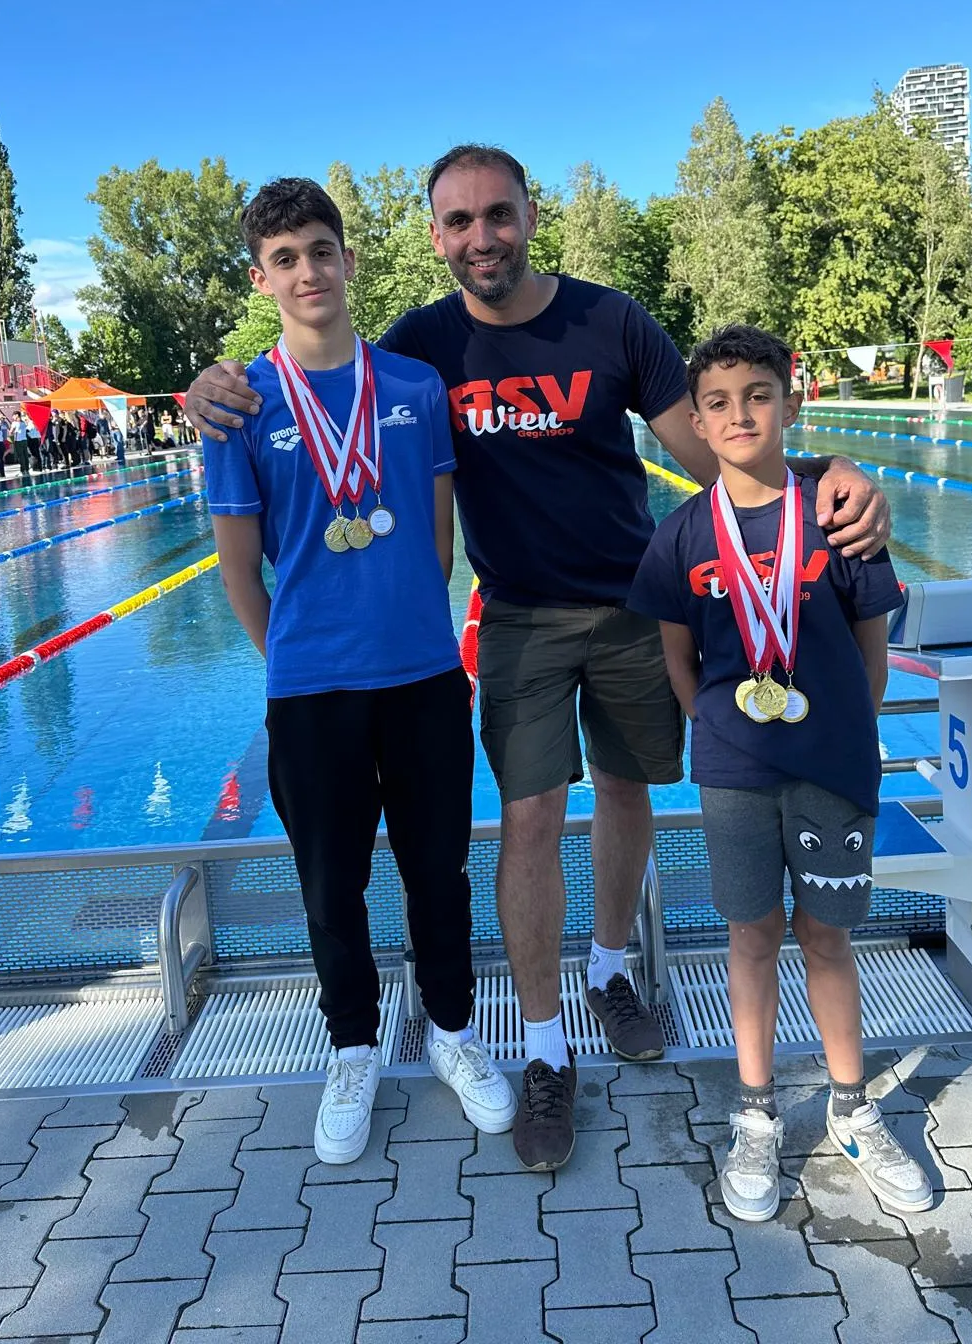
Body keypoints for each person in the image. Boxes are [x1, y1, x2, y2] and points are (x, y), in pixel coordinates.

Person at [183, 145, 890, 1172]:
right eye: (459, 222)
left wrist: (833, 475)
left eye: (498, 215)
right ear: (437, 237)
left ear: (528, 214)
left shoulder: (612, 322)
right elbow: (316, 370)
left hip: (633, 604)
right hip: (516, 615)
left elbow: (722, 454)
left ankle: (609, 969)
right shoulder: (422, 348)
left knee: (626, 789)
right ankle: (547, 1049)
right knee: (528, 819)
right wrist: (208, 381)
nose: (482, 238)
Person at [203, 176, 515, 1165]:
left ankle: (454, 1032)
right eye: (285, 258)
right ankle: (352, 1049)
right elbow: (238, 567)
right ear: (262, 279)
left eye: (320, 250)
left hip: (423, 677)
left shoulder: (414, 387)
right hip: (311, 692)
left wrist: (406, 626)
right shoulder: (241, 406)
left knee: (439, 871)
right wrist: (297, 655)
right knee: (329, 886)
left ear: (348, 258)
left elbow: (438, 539)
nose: (308, 271)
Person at [627, 323, 931, 1222]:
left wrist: (840, 730)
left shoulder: (840, 519)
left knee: (828, 937)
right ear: (695, 422)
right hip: (734, 772)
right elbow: (677, 658)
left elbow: (872, 653)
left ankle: (851, 1107)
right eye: (718, 403)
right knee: (751, 937)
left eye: (759, 395)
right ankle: (756, 1113)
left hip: (832, 766)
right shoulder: (681, 534)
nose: (740, 415)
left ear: (791, 405)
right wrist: (718, 727)